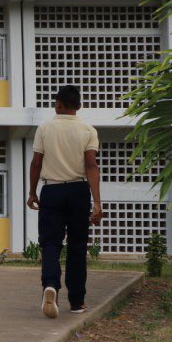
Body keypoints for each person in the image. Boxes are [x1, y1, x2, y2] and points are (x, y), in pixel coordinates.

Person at [27, 85, 104, 319]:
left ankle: (50, 286)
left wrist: (32, 192)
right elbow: (91, 165)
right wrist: (97, 203)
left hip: (52, 190)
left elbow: (37, 162)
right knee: (77, 246)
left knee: (50, 243)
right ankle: (77, 300)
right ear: (79, 106)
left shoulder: (45, 128)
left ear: (58, 104)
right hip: (79, 191)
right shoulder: (88, 130)